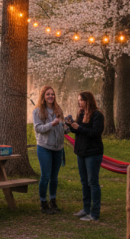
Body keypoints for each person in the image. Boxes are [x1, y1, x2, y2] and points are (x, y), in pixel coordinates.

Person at [65, 91, 105, 222]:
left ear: (88, 101)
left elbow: (95, 133)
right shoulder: (81, 114)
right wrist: (71, 125)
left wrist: (79, 128)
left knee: (93, 182)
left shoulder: (97, 115)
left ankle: (95, 213)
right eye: (78, 100)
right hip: (81, 152)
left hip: (93, 152)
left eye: (82, 100)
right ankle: (86, 209)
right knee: (84, 182)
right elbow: (78, 130)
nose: (79, 102)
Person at [33, 85, 66, 214]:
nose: (51, 96)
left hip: (58, 148)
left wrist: (68, 125)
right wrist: (51, 124)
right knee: (45, 176)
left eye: (52, 94)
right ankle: (43, 203)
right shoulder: (37, 111)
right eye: (48, 94)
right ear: (43, 96)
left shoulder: (58, 110)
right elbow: (38, 129)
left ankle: (53, 201)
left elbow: (62, 128)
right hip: (44, 147)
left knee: (54, 177)